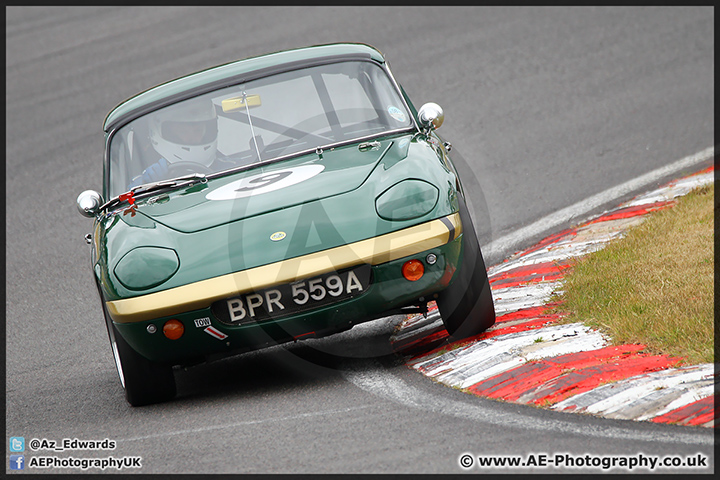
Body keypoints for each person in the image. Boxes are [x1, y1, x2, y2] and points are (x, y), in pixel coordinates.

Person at [127, 97, 234, 188]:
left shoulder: (229, 167)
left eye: (198, 131)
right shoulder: (145, 181)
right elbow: (126, 204)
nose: (194, 139)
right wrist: (148, 187)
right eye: (184, 132)